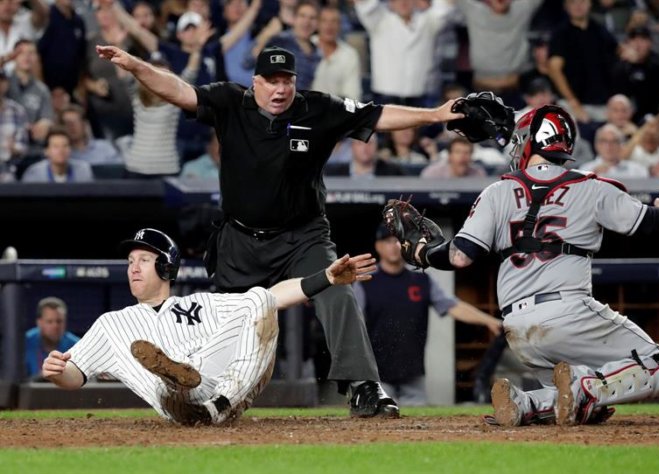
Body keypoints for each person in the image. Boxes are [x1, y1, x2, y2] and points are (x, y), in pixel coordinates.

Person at [94, 43, 466, 417]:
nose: (280, 89)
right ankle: (207, 392)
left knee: (336, 288)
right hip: (240, 240)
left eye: (286, 80)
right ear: (255, 82)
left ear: (294, 82)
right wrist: (135, 65)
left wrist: (434, 115)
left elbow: (378, 114)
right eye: (271, 80)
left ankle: (364, 386)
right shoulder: (229, 101)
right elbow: (177, 90)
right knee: (227, 324)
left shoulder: (318, 108)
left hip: (302, 237)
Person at [394, 104, 659, 426]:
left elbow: (458, 256)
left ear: (531, 141)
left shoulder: (497, 190)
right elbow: (647, 223)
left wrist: (422, 252)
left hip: (517, 328)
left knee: (585, 409)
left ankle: (526, 403)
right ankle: (585, 386)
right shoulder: (592, 186)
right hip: (568, 312)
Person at [42, 228, 377, 425]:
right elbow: (75, 376)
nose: (134, 268)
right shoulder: (112, 324)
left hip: (225, 385)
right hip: (176, 404)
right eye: (130, 262)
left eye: (144, 260)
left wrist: (326, 277)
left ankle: (215, 400)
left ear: (166, 267)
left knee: (260, 298)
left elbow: (272, 298)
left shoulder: (200, 303)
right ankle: (181, 382)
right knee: (170, 384)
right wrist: (57, 371)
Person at [353, 224, 501, 405]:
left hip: (412, 370)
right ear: (378, 246)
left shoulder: (421, 280)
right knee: (377, 423)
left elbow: (453, 306)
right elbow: (353, 322)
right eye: (388, 241)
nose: (394, 246)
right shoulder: (366, 281)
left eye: (398, 241)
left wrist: (489, 320)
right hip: (376, 372)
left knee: (415, 425)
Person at [25, 296, 80, 379]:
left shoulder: (77, 346)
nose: (55, 326)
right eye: (50, 322)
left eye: (59, 321)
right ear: (39, 322)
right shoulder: (24, 343)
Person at [21, 127, 93, 182]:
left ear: (70, 149)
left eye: (65, 146)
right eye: (56, 146)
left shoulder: (83, 170)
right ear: (47, 151)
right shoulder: (34, 173)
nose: (61, 150)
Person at [579, 123, 648, 179]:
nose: (609, 146)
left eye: (614, 141)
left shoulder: (637, 170)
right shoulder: (585, 170)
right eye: (604, 141)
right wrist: (592, 176)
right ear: (597, 145)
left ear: (621, 145)